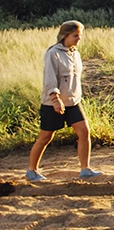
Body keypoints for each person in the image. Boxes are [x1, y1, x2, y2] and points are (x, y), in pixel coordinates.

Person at [26, 20, 102, 182]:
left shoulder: (74, 53)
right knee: (45, 137)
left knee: (84, 131)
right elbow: (49, 79)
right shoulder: (53, 53)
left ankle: (85, 169)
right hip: (53, 103)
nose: (78, 39)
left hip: (73, 102)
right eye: (75, 36)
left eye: (80, 36)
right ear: (65, 35)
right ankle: (32, 171)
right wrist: (55, 99)